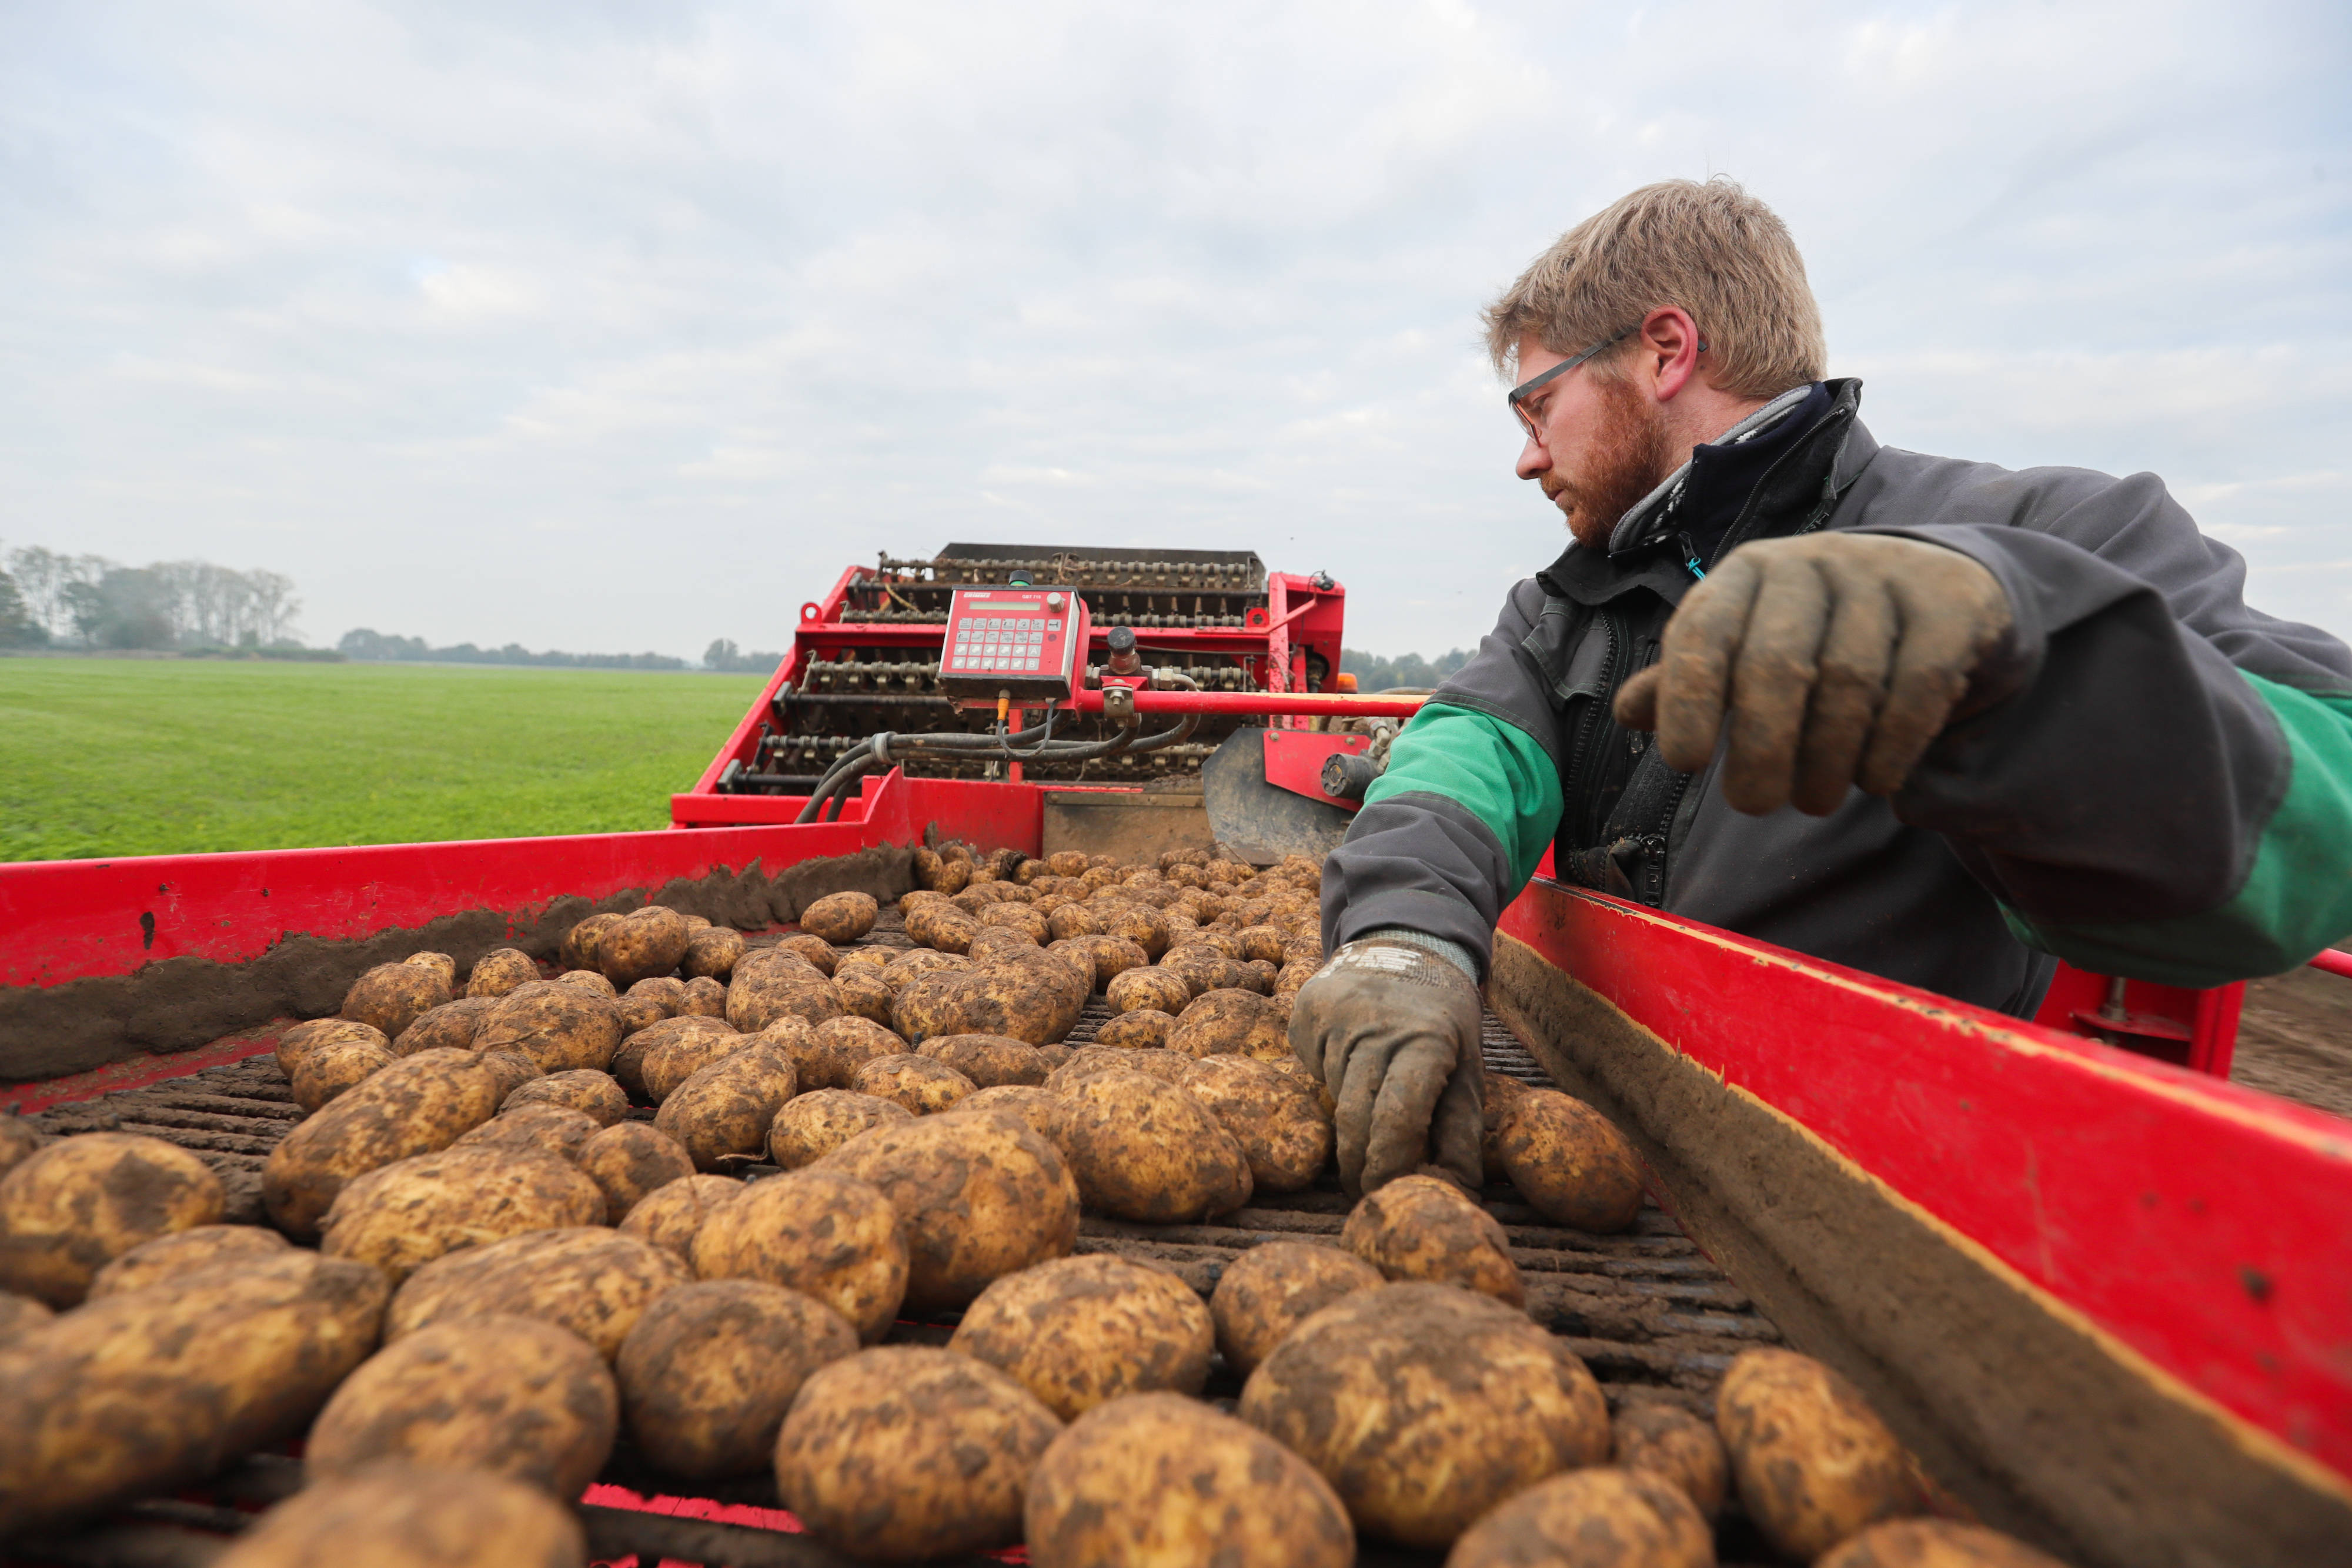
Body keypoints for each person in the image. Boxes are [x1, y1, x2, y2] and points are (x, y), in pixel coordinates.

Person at [1291, 178, 2352, 1198]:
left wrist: (2023, 663)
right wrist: (1403, 938)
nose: (1527, 460)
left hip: (1904, 1190)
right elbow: (1457, 765)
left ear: (1664, 351)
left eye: (1537, 407)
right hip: (1629, 1137)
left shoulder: (2048, 535)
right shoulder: (1565, 607)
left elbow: (2327, 792)